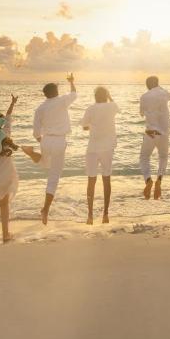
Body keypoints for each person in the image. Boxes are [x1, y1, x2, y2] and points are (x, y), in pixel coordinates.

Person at [0, 94, 36, 245]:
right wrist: (12, 103)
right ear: (1, 124)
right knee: (4, 204)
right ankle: (5, 235)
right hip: (7, 173)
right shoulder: (7, 134)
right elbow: (9, 117)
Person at [32, 73, 78, 225]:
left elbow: (36, 133)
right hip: (58, 141)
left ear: (45, 94)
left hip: (46, 141)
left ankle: (32, 153)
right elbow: (74, 94)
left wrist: (42, 142)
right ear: (56, 92)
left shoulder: (40, 108)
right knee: (53, 178)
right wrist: (71, 82)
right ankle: (45, 209)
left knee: (45, 163)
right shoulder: (61, 101)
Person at [80, 86, 119, 225]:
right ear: (106, 95)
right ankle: (105, 215)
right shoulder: (111, 106)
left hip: (93, 148)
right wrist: (109, 96)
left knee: (91, 181)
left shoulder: (90, 108)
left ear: (95, 96)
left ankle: (90, 216)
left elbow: (84, 126)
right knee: (106, 180)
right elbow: (116, 106)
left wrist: (92, 127)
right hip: (107, 148)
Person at [139, 76, 170, 200]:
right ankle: (159, 179)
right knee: (163, 157)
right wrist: (159, 87)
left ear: (147, 85)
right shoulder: (164, 93)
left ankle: (148, 180)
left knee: (144, 157)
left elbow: (142, 113)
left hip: (150, 132)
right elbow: (169, 96)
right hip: (164, 133)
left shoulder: (144, 96)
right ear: (157, 84)